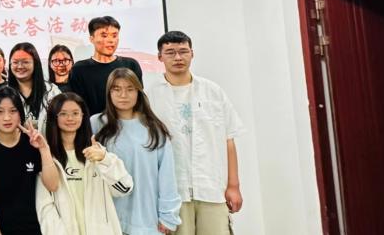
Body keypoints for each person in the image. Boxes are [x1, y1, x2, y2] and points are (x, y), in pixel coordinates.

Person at [144, 32, 243, 235]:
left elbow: (228, 140)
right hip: (172, 192)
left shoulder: (213, 92)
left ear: (192, 54)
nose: (178, 57)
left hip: (211, 187)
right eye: (170, 52)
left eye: (183, 51)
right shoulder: (150, 95)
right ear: (160, 57)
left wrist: (233, 185)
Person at [90, 68, 181, 235]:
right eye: (117, 89)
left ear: (138, 92)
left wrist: (168, 215)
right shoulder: (96, 124)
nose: (123, 95)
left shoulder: (154, 128)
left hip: (145, 219)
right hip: (108, 219)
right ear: (109, 93)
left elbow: (167, 175)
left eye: (130, 89)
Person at [36, 92, 132, 235]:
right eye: (63, 114)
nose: (70, 118)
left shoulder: (96, 152)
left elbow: (125, 188)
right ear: (54, 117)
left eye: (75, 113)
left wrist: (104, 159)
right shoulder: (47, 157)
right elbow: (45, 208)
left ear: (83, 116)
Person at [0, 86, 60, 235]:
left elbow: (53, 185)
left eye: (13, 111)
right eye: (0, 111)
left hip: (38, 228)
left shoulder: (33, 143)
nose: (7, 117)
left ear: (20, 114)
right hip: (0, 229)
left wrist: (44, 149)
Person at [69, 16, 143, 116]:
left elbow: (139, 101)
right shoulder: (79, 69)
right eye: (104, 36)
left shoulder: (131, 65)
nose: (111, 40)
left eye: (114, 36)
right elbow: (77, 106)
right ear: (92, 39)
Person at [7, 42, 61, 132]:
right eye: (15, 62)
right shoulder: (5, 94)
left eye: (25, 62)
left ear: (35, 63)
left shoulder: (52, 92)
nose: (20, 66)